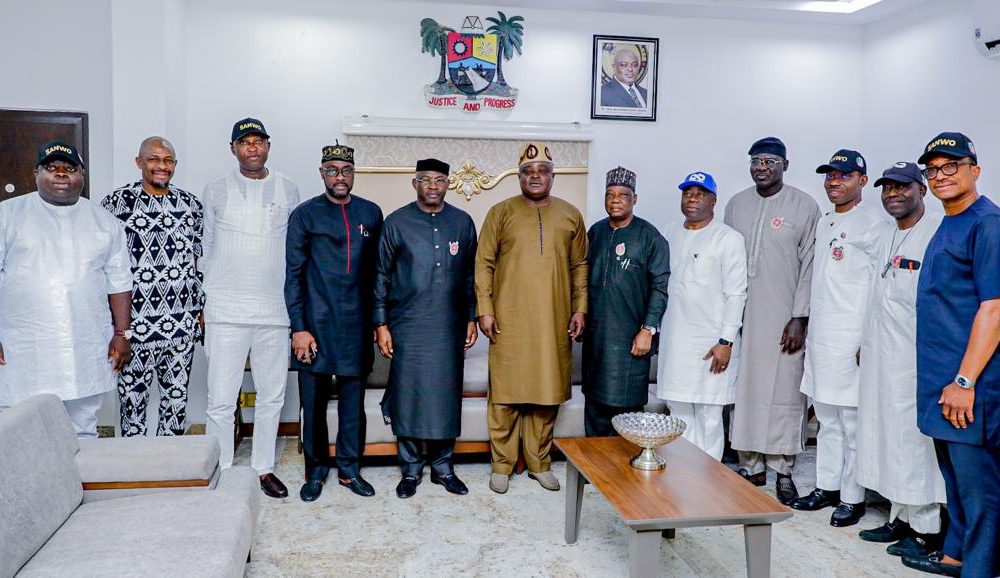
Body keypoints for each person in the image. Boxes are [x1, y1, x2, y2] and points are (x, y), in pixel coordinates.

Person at [903, 132, 1000, 578]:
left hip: (969, 385)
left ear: (974, 171)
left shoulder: (987, 224)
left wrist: (964, 381)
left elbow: (994, 308)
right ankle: (956, 554)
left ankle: (981, 567)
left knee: (979, 487)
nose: (940, 176)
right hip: (941, 382)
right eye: (933, 169)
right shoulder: (949, 221)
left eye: (951, 166)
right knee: (955, 478)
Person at [476, 141, 588, 494]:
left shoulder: (570, 215)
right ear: (519, 177)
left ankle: (539, 463)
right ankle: (502, 465)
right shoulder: (500, 212)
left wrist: (580, 308)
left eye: (542, 171)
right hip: (507, 318)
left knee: (546, 393)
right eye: (528, 171)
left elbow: (580, 265)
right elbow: (484, 263)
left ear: (553, 176)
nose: (535, 176)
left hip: (553, 319)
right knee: (505, 394)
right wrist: (485, 309)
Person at [0, 142, 132, 436]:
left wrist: (123, 335)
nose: (61, 174)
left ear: (82, 175)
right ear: (36, 173)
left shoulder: (104, 222)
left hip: (84, 342)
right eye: (52, 168)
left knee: (82, 427)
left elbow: (120, 281)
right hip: (23, 344)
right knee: (18, 429)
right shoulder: (8, 215)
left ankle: (81, 467)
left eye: (70, 168)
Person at [202, 118, 300, 499]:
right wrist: (206, 303)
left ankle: (263, 468)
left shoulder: (288, 188)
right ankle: (223, 471)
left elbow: (292, 250)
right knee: (221, 400)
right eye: (245, 142)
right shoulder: (216, 189)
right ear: (233, 149)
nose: (253, 148)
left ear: (268, 146)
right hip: (225, 310)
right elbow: (206, 248)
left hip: (274, 310)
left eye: (259, 141)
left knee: (272, 395)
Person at [723, 136, 821, 505]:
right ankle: (751, 466)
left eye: (769, 161)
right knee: (745, 391)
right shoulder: (736, 205)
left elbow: (811, 265)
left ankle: (783, 470)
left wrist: (800, 316)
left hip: (784, 319)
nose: (761, 168)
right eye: (756, 161)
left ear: (785, 165)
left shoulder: (804, 206)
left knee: (784, 393)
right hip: (744, 318)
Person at [856, 162, 945, 558]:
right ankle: (900, 516)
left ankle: (926, 526)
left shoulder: (936, 233)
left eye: (902, 187)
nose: (893, 194)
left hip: (913, 359)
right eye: (887, 187)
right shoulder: (887, 233)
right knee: (887, 436)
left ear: (922, 189)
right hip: (882, 354)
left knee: (912, 442)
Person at [374, 158, 477, 499]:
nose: (433, 186)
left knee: (446, 393)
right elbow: (381, 276)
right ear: (414, 183)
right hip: (407, 323)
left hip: (449, 324)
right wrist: (381, 323)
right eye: (426, 180)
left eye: (440, 180)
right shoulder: (397, 222)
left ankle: (443, 467)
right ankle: (410, 469)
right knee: (408, 395)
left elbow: (470, 276)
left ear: (448, 184)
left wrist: (471, 317)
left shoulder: (462, 222)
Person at [287, 142, 383, 502]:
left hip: (356, 326)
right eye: (332, 170)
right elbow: (293, 275)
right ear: (322, 173)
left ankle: (349, 470)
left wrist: (378, 322)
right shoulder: (305, 215)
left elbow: (378, 273)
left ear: (353, 173)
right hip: (314, 326)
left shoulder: (371, 213)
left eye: (346, 171)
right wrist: (299, 327)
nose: (339, 177)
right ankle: (315, 472)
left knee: (352, 405)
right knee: (312, 405)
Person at [792, 149, 880, 527]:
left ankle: (852, 497)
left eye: (844, 175)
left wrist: (867, 339)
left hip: (852, 338)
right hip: (822, 336)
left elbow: (878, 288)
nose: (834, 181)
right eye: (830, 175)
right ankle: (826, 487)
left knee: (851, 423)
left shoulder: (874, 224)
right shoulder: (825, 220)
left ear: (862, 180)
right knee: (826, 419)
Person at [101, 137, 204, 437]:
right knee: (132, 405)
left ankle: (171, 461)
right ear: (139, 162)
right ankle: (134, 462)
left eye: (168, 160)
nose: (162, 166)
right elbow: (102, 263)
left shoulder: (190, 205)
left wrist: (200, 309)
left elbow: (199, 260)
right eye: (154, 159)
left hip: (180, 324)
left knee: (176, 404)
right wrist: (116, 327)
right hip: (134, 326)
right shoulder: (116, 204)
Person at [658, 171, 747, 460]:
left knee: (709, 414)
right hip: (676, 340)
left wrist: (726, 341)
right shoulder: (669, 233)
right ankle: (682, 475)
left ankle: (708, 478)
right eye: (687, 193)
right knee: (678, 410)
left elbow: (737, 294)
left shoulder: (728, 239)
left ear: (714, 200)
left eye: (700, 194)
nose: (692, 199)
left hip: (713, 342)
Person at [582, 166, 669, 437]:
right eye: (610, 194)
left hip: (632, 341)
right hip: (597, 339)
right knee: (594, 411)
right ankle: (593, 464)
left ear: (635, 199)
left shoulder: (650, 236)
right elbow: (583, 279)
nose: (615, 200)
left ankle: (624, 466)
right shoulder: (595, 232)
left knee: (627, 418)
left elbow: (660, 287)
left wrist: (648, 329)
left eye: (623, 195)